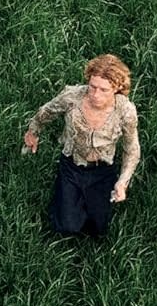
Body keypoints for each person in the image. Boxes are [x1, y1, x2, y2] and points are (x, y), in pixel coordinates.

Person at [23, 54, 141, 238]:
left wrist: (122, 182)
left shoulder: (125, 111)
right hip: (72, 165)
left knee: (97, 229)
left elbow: (132, 149)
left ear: (117, 88)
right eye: (92, 87)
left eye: (104, 90)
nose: (95, 95)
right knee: (67, 226)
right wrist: (33, 132)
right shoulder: (72, 97)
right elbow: (47, 111)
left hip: (102, 170)